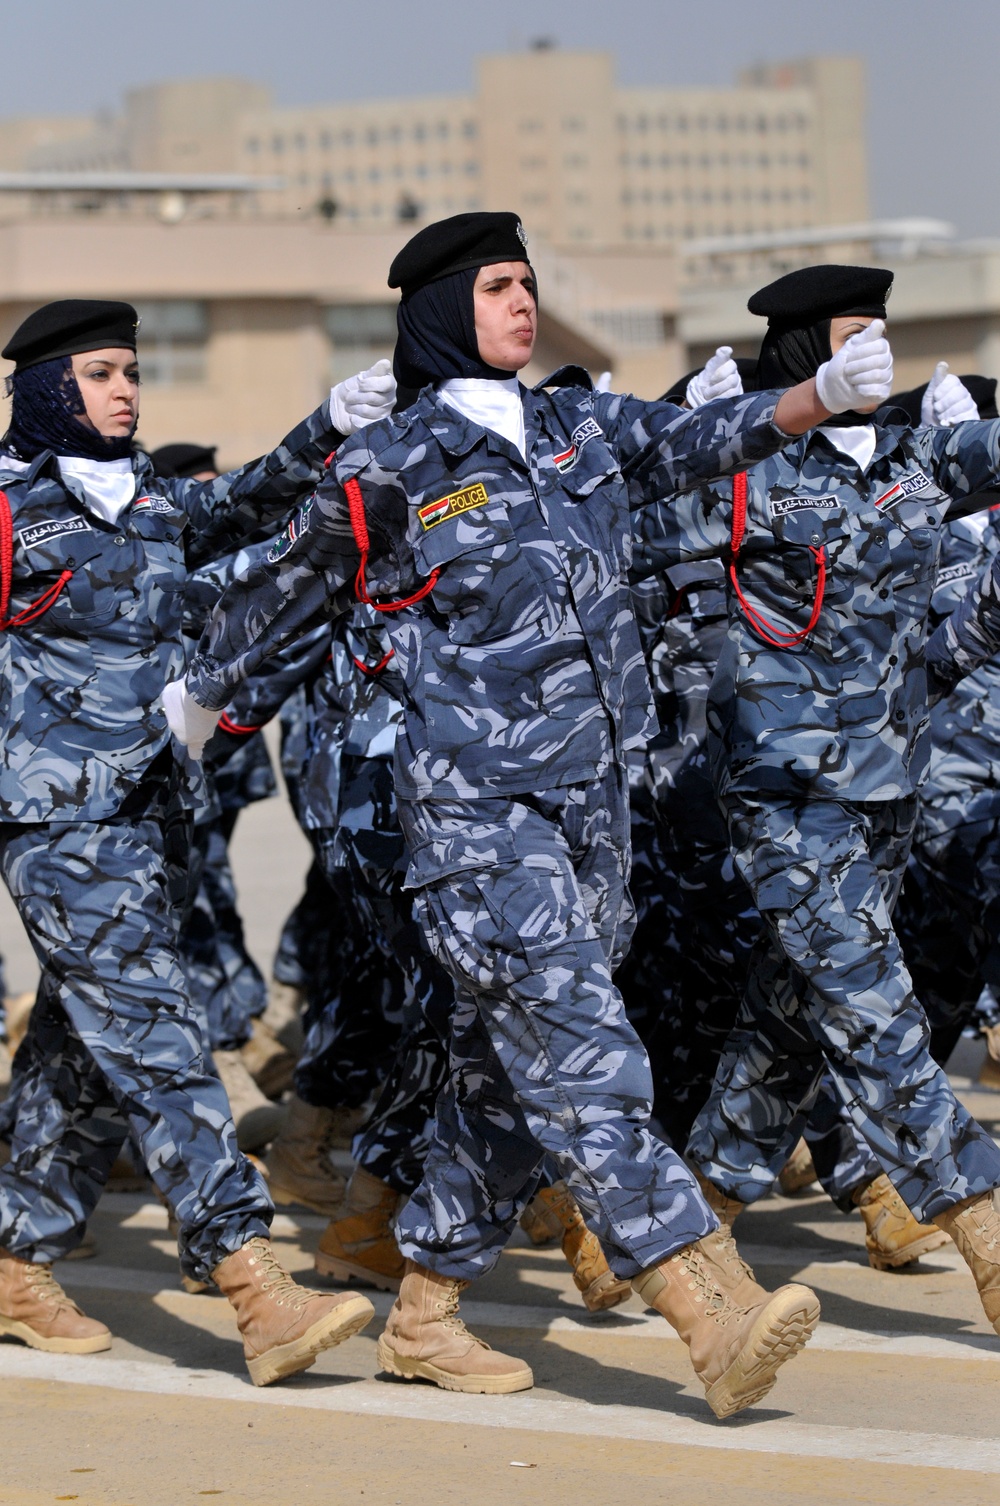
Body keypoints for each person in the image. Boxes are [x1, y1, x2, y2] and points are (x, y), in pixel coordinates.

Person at [169, 214, 893, 1418]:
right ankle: (700, 1309)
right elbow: (282, 589)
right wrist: (199, 704)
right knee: (587, 1051)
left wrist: (814, 392)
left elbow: (701, 440)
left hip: (591, 809)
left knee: (510, 1081)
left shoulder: (576, 429)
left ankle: (426, 1315)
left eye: (529, 283)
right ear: (447, 309)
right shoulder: (392, 462)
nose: (522, 301)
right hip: (471, 818)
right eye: (500, 286)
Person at [0, 298, 395, 1384]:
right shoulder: (4, 507)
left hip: (149, 813)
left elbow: (251, 497)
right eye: (99, 373)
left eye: (131, 371)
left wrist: (324, 425)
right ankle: (248, 1280)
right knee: (159, 1029)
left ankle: (14, 1251)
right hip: (56, 815)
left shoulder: (147, 501)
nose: (126, 388)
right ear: (42, 387)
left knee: (82, 1041)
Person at [628, 266, 1000, 1339]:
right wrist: (705, 424)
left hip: (888, 793)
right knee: (876, 1007)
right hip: (784, 796)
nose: (872, 359)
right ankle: (977, 1219)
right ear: (802, 352)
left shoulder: (919, 462)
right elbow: (624, 532)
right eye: (850, 339)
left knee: (790, 1014)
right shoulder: (748, 472)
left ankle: (690, 1219)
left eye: (880, 340)